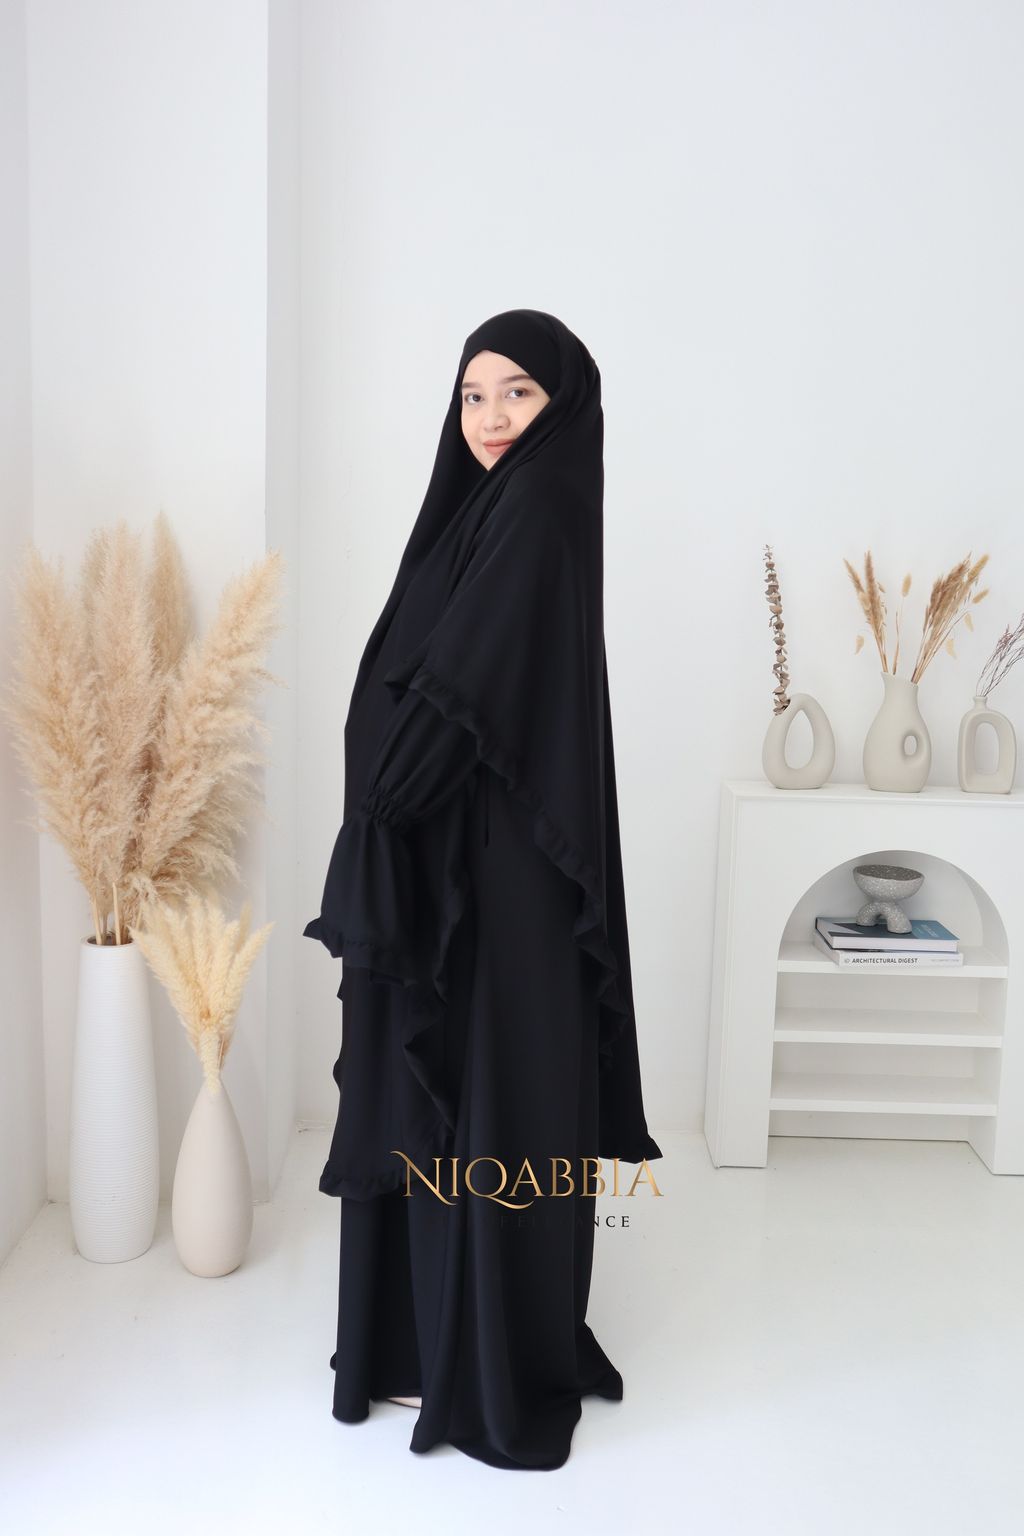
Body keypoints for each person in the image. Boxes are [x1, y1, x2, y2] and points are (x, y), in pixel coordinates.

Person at [303, 308, 662, 1471]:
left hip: (492, 878)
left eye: (517, 392)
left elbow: (462, 688)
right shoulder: (491, 509)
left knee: (479, 1094)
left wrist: (378, 811)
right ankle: (429, 1339)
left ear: (561, 404)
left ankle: (470, 1353)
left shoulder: (538, 506)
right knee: (456, 1096)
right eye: (472, 394)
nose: (492, 416)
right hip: (461, 861)